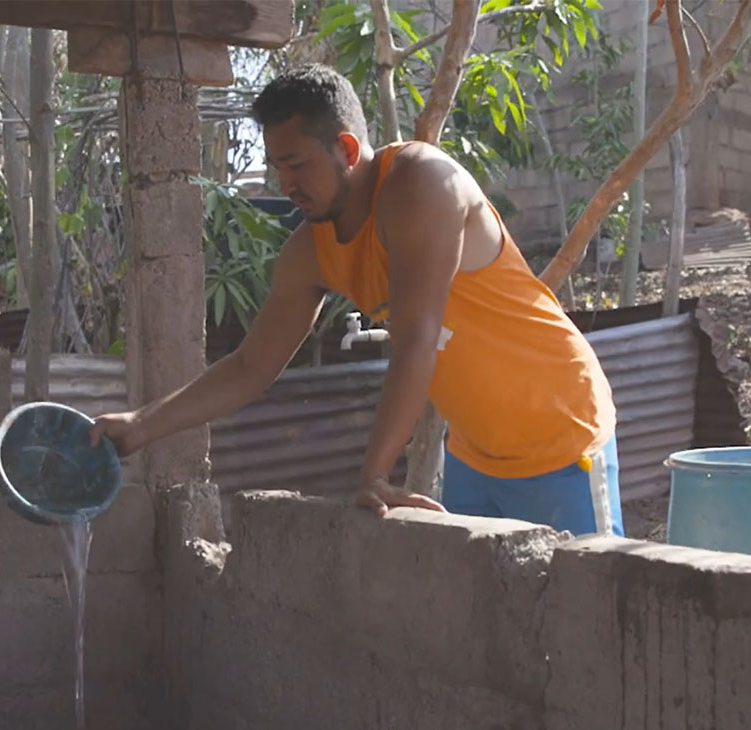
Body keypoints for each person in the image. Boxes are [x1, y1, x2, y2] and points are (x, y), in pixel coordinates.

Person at [91, 63, 623, 537]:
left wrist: (373, 475)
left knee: (587, 631)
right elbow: (250, 366)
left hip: (560, 435)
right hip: (475, 455)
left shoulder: (422, 185)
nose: (286, 183)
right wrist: (141, 426)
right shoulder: (311, 251)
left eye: (297, 165)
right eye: (278, 166)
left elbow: (418, 339)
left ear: (346, 149)